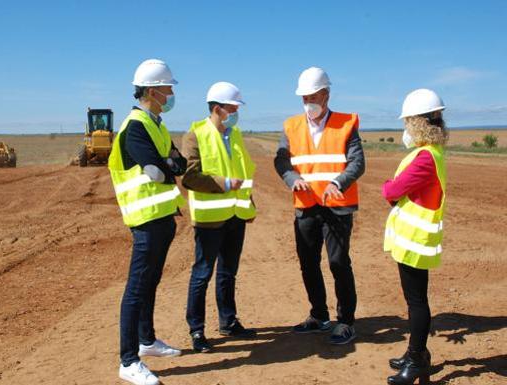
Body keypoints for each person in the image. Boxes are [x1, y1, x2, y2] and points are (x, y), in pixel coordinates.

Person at [108, 58, 187, 385]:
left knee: (151, 281)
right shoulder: (135, 126)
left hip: (163, 217)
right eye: (168, 88)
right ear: (154, 91)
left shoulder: (156, 124)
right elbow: (157, 171)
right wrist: (167, 165)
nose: (171, 93)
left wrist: (167, 164)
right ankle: (128, 361)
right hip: (144, 219)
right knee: (137, 287)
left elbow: (177, 163)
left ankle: (147, 341)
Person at [274, 67, 365, 345]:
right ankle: (319, 315)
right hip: (306, 206)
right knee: (308, 263)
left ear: (326, 94)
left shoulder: (347, 122)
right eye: (304, 97)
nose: (308, 102)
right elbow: (282, 161)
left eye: (313, 96)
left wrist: (339, 182)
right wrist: (292, 178)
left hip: (337, 206)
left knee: (338, 262)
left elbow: (357, 162)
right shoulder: (291, 126)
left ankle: (346, 321)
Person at [181, 82, 257, 353]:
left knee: (228, 273)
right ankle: (197, 330)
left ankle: (228, 321)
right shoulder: (195, 135)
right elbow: (190, 177)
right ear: (218, 109)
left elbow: (244, 172)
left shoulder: (234, 135)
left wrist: (249, 204)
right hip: (210, 219)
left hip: (235, 215)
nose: (236, 113)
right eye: (233, 108)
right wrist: (224, 183)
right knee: (202, 273)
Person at [383, 89, 448, 385]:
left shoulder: (424, 158)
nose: (406, 128)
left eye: (408, 121)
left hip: (414, 241)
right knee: (416, 300)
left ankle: (416, 358)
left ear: (419, 123)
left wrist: (390, 187)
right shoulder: (430, 153)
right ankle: (416, 355)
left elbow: (391, 191)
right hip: (413, 239)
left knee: (417, 303)